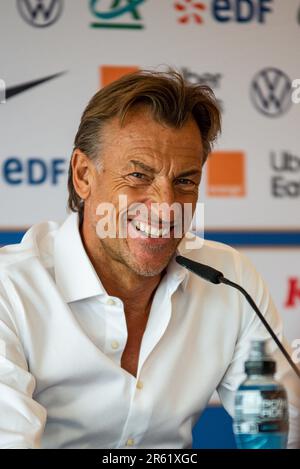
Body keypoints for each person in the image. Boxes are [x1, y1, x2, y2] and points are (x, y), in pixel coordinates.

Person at [0, 70, 299, 449]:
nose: (165, 207)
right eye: (139, 175)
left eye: (185, 182)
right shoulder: (9, 289)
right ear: (83, 175)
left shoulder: (228, 277)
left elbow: (287, 428)